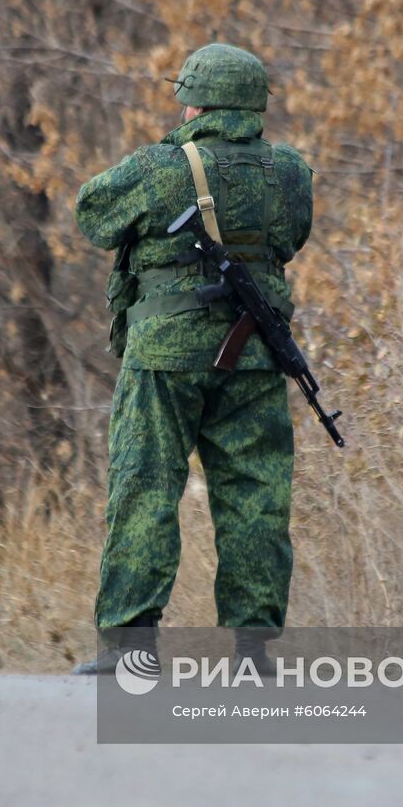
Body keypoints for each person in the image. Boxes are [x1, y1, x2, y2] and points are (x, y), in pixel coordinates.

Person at [71, 43, 314, 674]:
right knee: (257, 495)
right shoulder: (288, 171)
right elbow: (291, 238)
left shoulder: (160, 167)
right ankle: (253, 650)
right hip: (256, 356)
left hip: (165, 357)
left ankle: (130, 645)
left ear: (196, 103)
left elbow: (93, 215)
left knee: (146, 486)